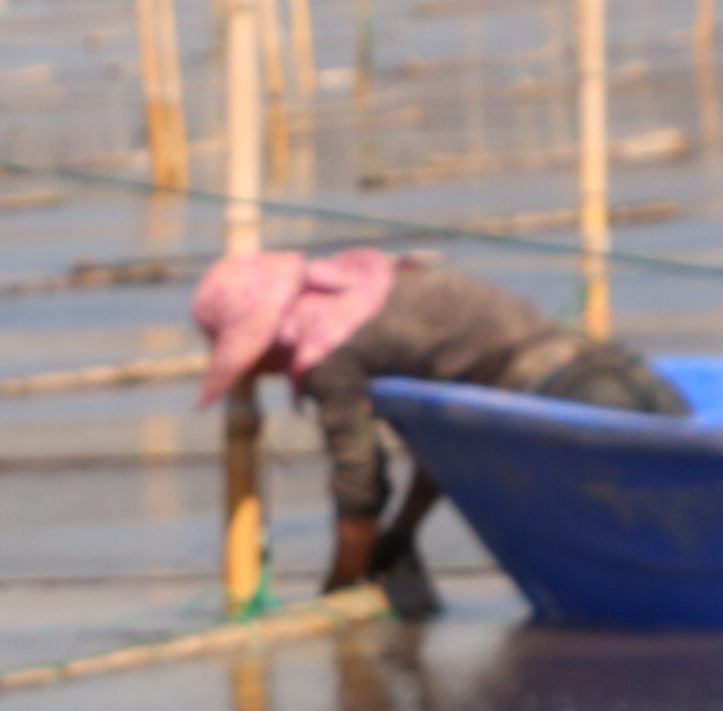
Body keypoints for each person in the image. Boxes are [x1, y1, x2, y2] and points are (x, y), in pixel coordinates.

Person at [194, 245, 693, 619]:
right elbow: (441, 450)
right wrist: (403, 534)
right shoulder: (378, 285)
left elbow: (359, 482)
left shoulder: (330, 349)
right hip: (618, 371)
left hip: (559, 401)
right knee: (685, 523)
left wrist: (339, 587)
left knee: (646, 577)